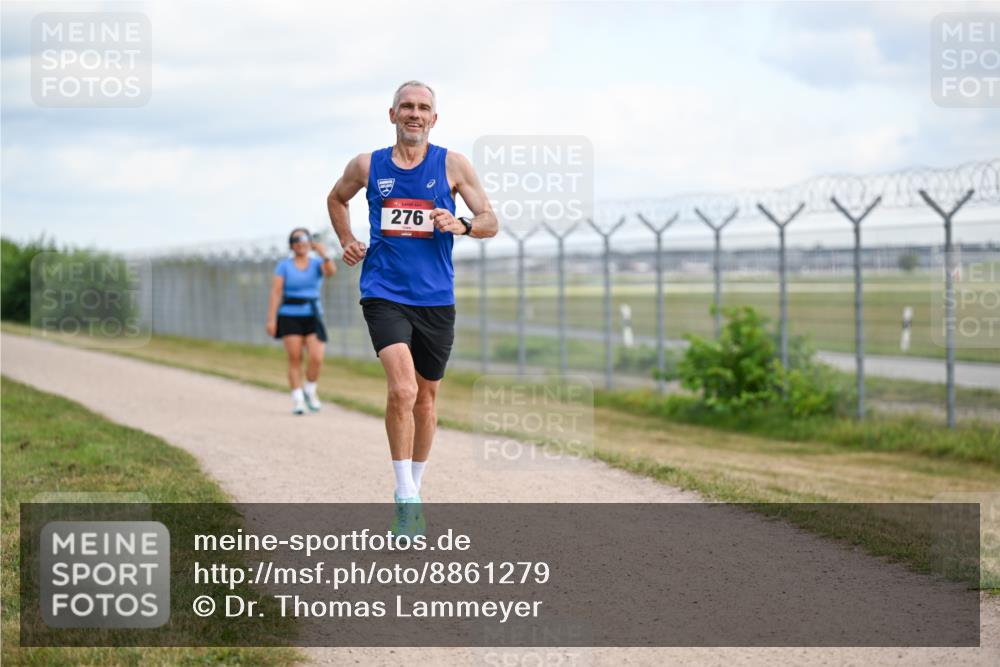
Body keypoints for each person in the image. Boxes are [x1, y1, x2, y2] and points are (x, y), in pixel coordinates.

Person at [326, 81, 498, 535]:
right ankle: (404, 495)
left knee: (426, 398)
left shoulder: (453, 164)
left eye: (423, 108)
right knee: (402, 389)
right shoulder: (367, 165)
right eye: (406, 106)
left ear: (434, 119)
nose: (414, 114)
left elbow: (490, 221)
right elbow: (336, 198)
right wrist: (346, 239)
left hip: (436, 298)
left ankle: (414, 489)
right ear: (392, 114)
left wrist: (461, 224)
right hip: (383, 292)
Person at [266, 228, 336, 414]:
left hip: (313, 314)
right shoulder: (284, 266)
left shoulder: (317, 263)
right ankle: (298, 399)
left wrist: (323, 253)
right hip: (290, 315)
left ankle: (310, 390)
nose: (300, 242)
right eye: (296, 239)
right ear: (291, 245)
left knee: (316, 357)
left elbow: (331, 271)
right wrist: (271, 320)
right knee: (295, 358)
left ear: (310, 242)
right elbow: (276, 292)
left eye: (304, 238)